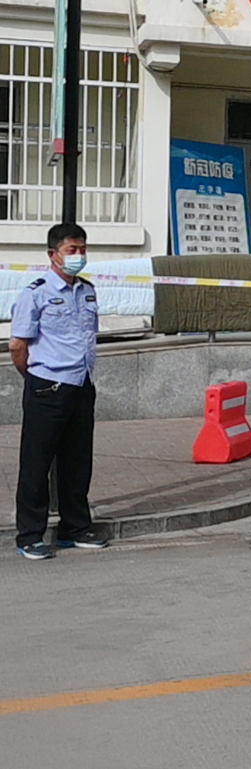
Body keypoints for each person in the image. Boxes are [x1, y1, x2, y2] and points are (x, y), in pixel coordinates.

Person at [11, 222, 107, 560]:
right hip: (47, 386)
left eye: (83, 249)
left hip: (81, 385)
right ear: (54, 254)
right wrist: (35, 377)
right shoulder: (35, 293)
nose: (78, 255)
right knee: (36, 463)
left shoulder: (87, 291)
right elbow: (18, 345)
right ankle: (30, 535)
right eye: (71, 250)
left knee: (77, 462)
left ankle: (75, 528)